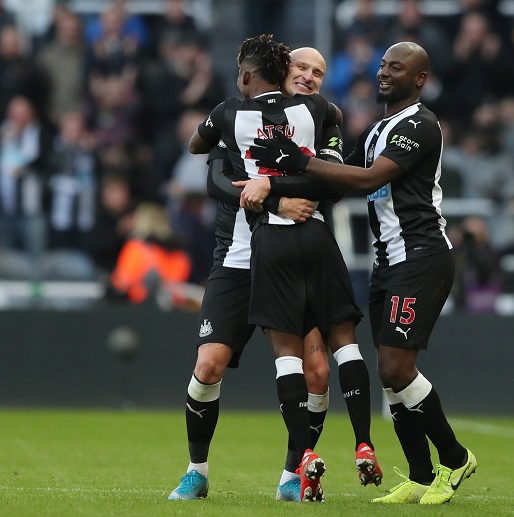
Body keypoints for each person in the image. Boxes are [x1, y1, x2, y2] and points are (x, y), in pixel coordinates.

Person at [244, 41, 477, 505]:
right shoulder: (374, 131)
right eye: (384, 65)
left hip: (422, 255)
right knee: (389, 373)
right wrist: (283, 185)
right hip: (388, 259)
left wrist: (298, 161)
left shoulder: (420, 125)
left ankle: (454, 458)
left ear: (420, 79)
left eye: (398, 67)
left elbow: (370, 180)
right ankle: (418, 473)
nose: (386, 72)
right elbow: (339, 181)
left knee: (396, 366)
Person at [177, 35, 379, 503]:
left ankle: (294, 473)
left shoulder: (321, 117)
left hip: (294, 255)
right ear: (282, 74)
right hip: (239, 257)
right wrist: (275, 195)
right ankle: (196, 470)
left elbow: (332, 180)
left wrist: (275, 186)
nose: (309, 76)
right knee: (209, 364)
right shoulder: (241, 119)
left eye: (318, 72)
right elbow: (215, 180)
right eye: (301, 68)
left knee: (317, 374)